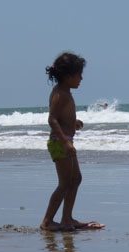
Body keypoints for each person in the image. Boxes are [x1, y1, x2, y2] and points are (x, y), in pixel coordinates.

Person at [40, 52, 104, 231]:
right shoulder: (60, 94)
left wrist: (72, 123)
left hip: (65, 140)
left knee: (75, 179)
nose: (81, 78)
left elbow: (61, 118)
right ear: (68, 76)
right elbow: (52, 119)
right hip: (60, 143)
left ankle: (67, 218)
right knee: (65, 183)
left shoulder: (65, 92)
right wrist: (66, 142)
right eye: (78, 75)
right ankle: (47, 221)